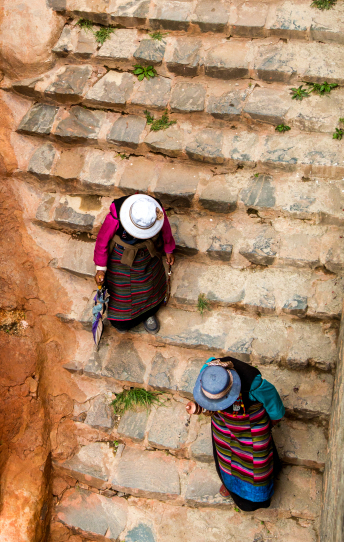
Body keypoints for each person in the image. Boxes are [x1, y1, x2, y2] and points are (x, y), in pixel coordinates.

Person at [185, 357, 285, 511]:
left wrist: (271, 423)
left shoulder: (253, 385)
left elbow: (275, 407)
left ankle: (255, 499)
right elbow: (205, 398)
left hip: (252, 429)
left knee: (257, 464)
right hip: (223, 425)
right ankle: (231, 486)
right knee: (225, 458)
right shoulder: (209, 371)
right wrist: (198, 406)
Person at [94, 193, 175, 333]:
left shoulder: (155, 210)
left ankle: (149, 311)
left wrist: (169, 249)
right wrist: (101, 268)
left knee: (150, 284)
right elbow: (102, 241)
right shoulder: (116, 214)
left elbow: (166, 229)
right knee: (121, 295)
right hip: (120, 259)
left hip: (147, 256)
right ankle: (123, 319)